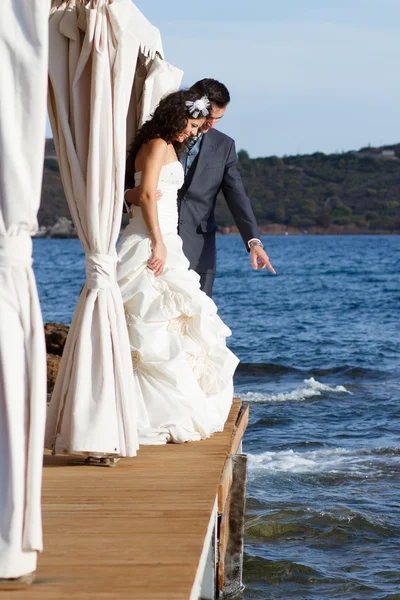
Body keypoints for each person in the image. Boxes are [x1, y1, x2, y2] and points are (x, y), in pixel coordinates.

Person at [117, 90, 239, 444]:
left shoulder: (170, 145)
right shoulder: (156, 144)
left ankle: (174, 405)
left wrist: (161, 233)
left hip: (169, 239)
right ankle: (141, 410)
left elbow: (139, 192)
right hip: (151, 239)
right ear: (176, 116)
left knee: (179, 326)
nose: (194, 132)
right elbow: (143, 193)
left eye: (199, 127)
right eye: (192, 125)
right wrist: (156, 239)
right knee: (149, 326)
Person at [125, 79, 275, 297]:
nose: (210, 124)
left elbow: (238, 197)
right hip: (151, 236)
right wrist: (131, 196)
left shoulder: (225, 146)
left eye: (218, 119)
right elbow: (127, 182)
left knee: (195, 318)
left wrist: (253, 241)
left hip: (199, 248)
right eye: (210, 116)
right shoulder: (164, 136)